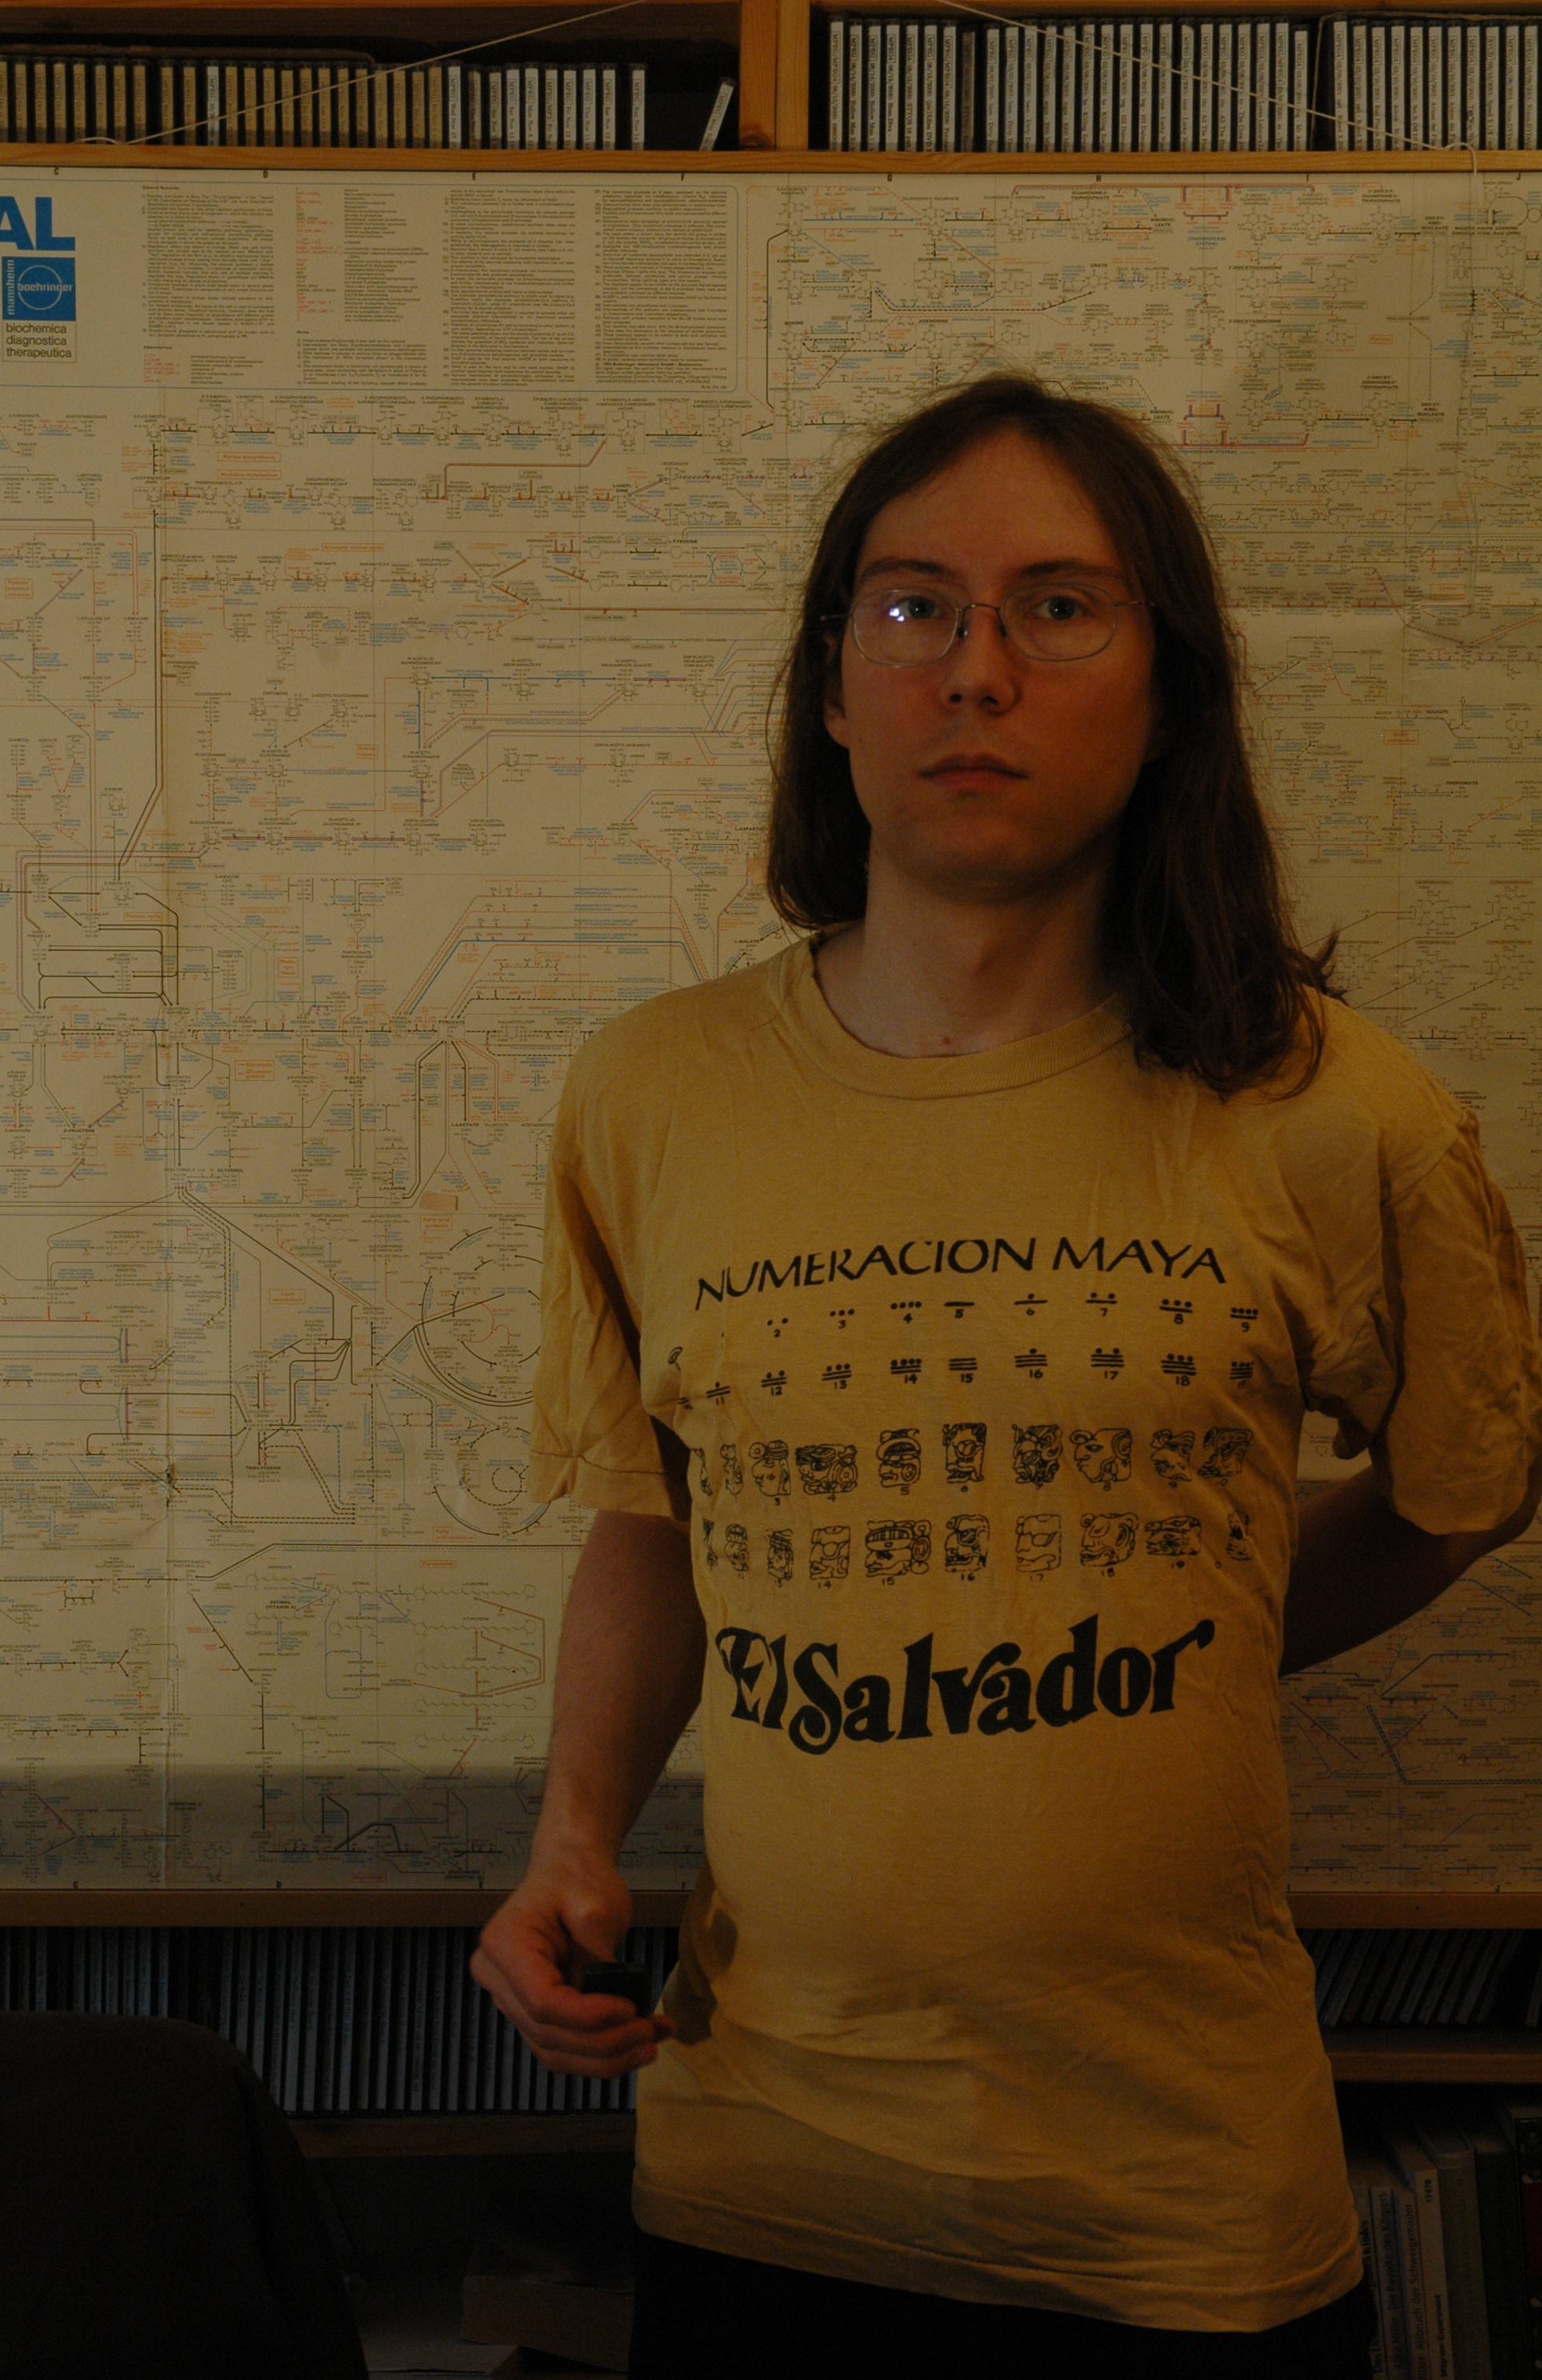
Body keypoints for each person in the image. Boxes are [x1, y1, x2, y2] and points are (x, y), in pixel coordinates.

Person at [471, 373, 1542, 2380]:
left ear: (1168, 690)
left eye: (1059, 607)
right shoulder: (651, 1094)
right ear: (829, 685)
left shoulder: (1332, 1106)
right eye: (911, 607)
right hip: (762, 2180)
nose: (974, 669)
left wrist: (1181, 1609)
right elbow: (658, 1517)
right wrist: (572, 1836)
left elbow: (1460, 1488)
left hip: (1180, 2214)